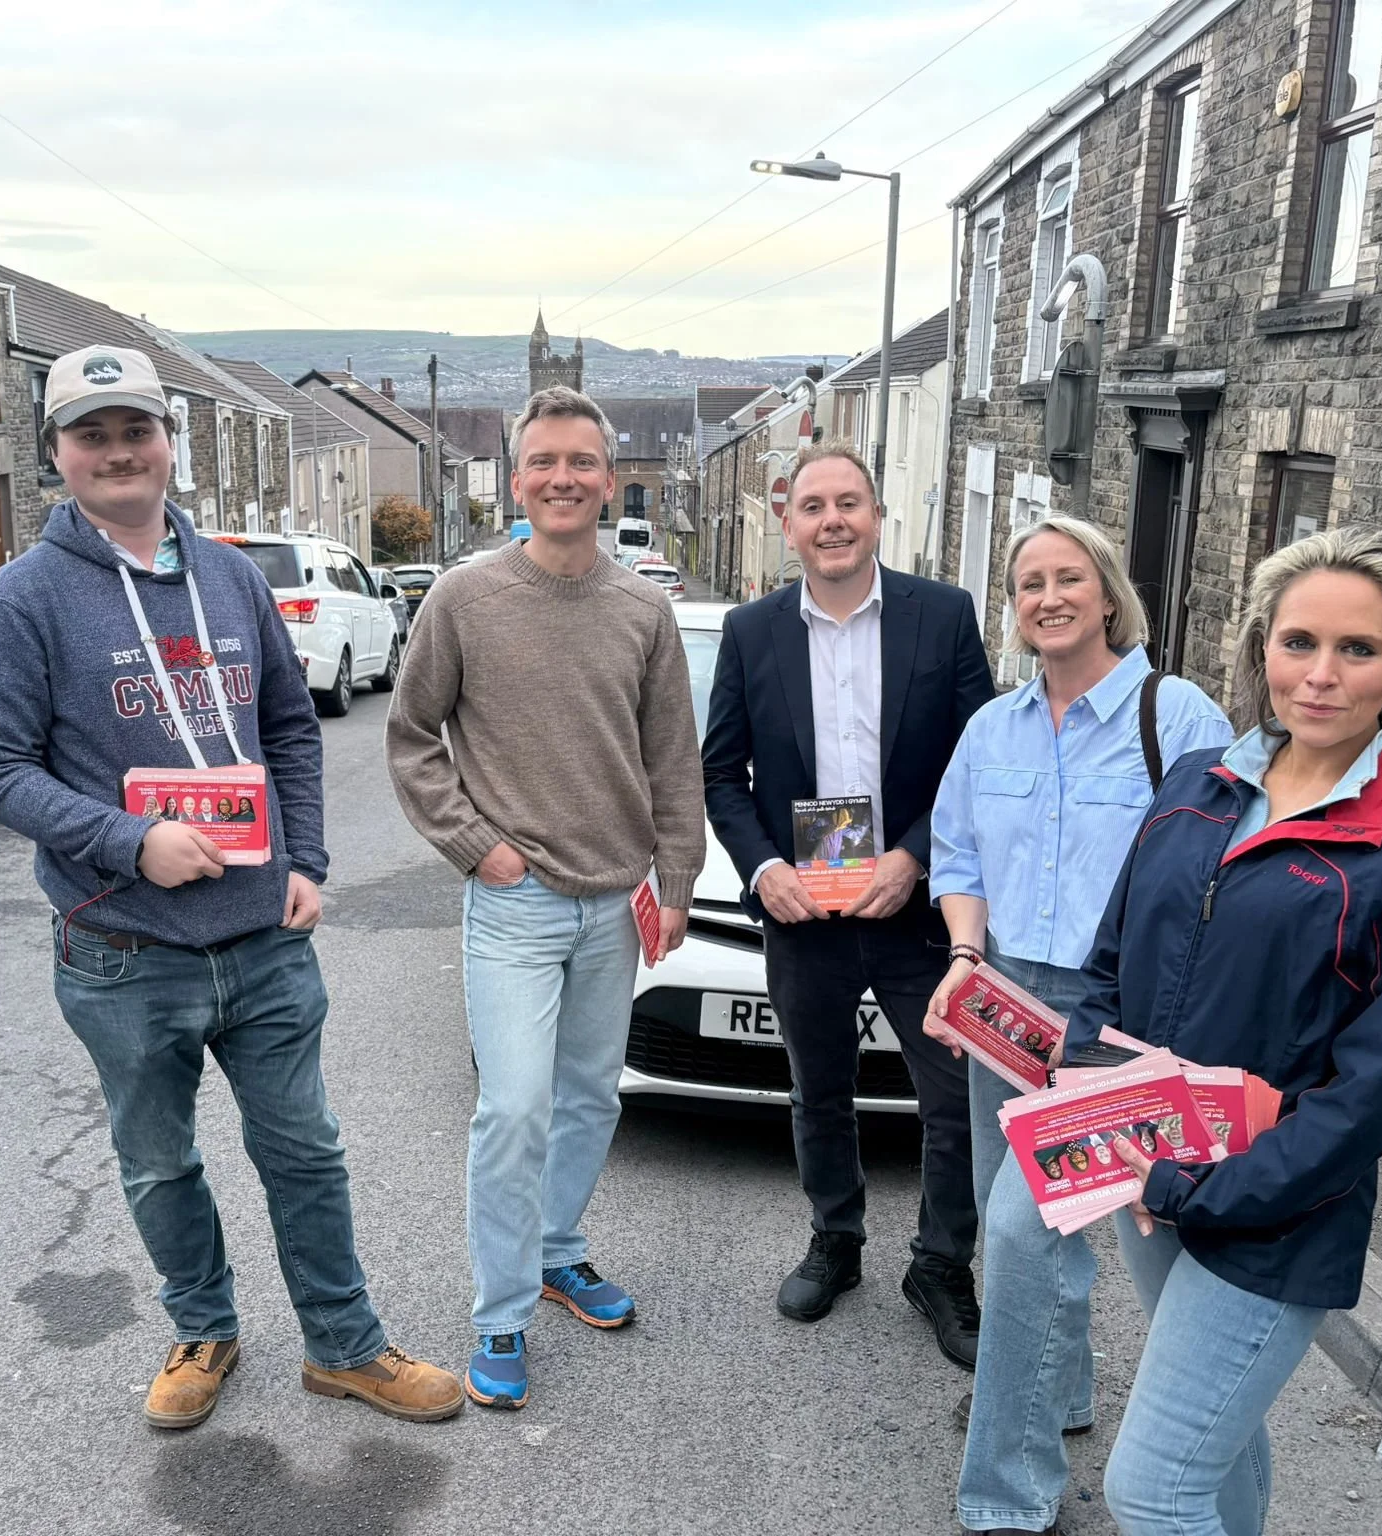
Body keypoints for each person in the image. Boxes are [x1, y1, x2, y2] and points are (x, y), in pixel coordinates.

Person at [0, 343, 462, 1433]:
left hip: (262, 939)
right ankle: (204, 1330)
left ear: (167, 443)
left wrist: (309, 863)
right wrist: (129, 840)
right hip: (122, 948)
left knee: (305, 1152)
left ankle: (344, 1346)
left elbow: (288, 726)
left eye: (135, 429)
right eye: (91, 434)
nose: (117, 451)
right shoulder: (24, 601)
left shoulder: (232, 575)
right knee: (157, 1163)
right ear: (57, 454)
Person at [1084, 527, 1382, 1536]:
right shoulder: (1195, 781)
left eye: (1355, 650)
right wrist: (1109, 1139)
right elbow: (1106, 972)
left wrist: (1200, 1189)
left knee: (1151, 1487)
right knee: (1212, 1458)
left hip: (1276, 1212)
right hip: (1149, 1170)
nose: (1318, 675)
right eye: (1296, 641)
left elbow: (1374, 1088)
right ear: (1260, 644)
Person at [387, 385, 705, 1411]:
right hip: (514, 904)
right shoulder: (463, 599)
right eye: (542, 463)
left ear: (609, 481)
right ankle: (500, 1315)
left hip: (616, 902)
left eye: (581, 462)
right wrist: (476, 848)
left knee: (588, 1099)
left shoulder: (644, 609)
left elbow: (671, 761)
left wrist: (678, 877)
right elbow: (409, 738)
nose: (562, 479)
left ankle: (560, 1251)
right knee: (512, 1106)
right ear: (514, 479)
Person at [927, 513, 1229, 1535]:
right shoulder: (990, 729)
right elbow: (957, 857)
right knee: (1013, 1226)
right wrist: (965, 957)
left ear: (1106, 594)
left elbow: (1221, 871)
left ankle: (1006, 1497)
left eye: (1066, 578)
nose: (1045, 597)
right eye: (1026, 584)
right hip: (1001, 1003)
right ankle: (1057, 1396)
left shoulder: (1176, 716)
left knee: (1018, 1232)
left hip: (1112, 1016)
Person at [702, 441, 994, 1366]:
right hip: (804, 916)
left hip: (916, 914)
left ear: (877, 517)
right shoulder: (753, 633)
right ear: (788, 526)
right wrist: (761, 869)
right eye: (814, 506)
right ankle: (838, 1239)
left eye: (849, 504)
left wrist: (913, 855)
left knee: (954, 1100)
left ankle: (942, 1264)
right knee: (818, 1090)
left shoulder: (942, 616)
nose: (833, 520)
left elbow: (976, 760)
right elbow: (722, 774)